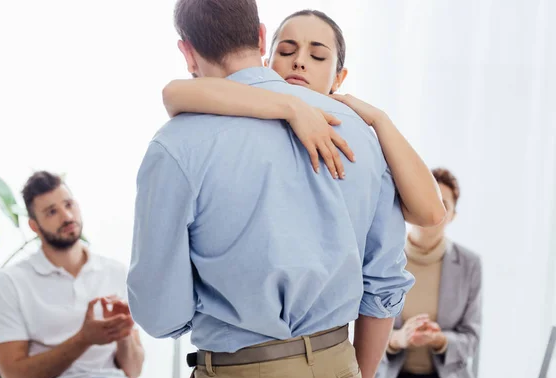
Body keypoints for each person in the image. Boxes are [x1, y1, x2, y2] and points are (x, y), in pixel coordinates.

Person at [127, 1, 414, 378]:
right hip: (341, 372)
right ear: (262, 37)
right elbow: (384, 282)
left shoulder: (176, 145)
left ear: (186, 52)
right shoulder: (358, 131)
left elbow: (160, 314)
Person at [161, 9, 446, 228]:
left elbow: (431, 213)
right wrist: (292, 108)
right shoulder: (240, 100)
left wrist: (381, 120)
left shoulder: (356, 137)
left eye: (318, 56)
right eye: (286, 51)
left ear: (339, 78)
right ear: (266, 61)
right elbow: (175, 92)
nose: (299, 61)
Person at [0, 171, 180, 378]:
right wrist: (84, 339)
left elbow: (133, 371)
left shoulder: (114, 271)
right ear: (34, 226)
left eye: (69, 204)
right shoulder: (9, 282)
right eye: (51, 212)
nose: (67, 216)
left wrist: (123, 333)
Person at [369, 168, 482, 378]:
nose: (432, 211)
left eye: (444, 205)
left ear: (453, 216)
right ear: (407, 204)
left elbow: (472, 338)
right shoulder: (382, 257)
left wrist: (441, 340)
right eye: (425, 200)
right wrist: (396, 340)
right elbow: (358, 331)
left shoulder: (470, 264)